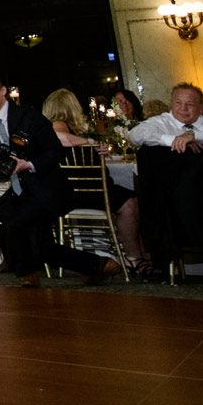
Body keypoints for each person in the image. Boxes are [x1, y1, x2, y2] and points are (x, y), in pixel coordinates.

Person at [0, 72, 120, 288]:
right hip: (23, 189)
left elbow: (56, 151)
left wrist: (30, 164)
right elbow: (8, 151)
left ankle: (28, 273)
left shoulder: (29, 117)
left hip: (47, 189)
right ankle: (100, 266)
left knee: (13, 225)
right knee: (14, 228)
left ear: (2, 91)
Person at [39, 88, 147, 273]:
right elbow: (58, 138)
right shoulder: (58, 125)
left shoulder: (69, 129)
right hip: (79, 191)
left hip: (83, 189)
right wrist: (90, 143)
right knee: (129, 202)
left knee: (133, 198)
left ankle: (137, 256)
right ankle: (134, 258)